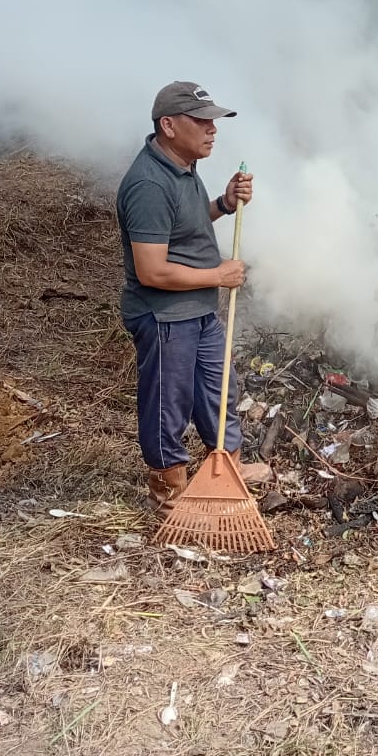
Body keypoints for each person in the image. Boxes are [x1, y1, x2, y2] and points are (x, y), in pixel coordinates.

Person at [116, 81, 254, 515]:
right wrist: (218, 274)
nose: (213, 130)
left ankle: (226, 467)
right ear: (169, 125)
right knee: (167, 402)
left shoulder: (182, 168)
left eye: (214, 121)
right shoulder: (148, 185)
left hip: (197, 309)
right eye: (203, 121)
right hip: (164, 315)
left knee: (218, 392)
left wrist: (224, 204)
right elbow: (151, 270)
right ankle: (168, 485)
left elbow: (186, 226)